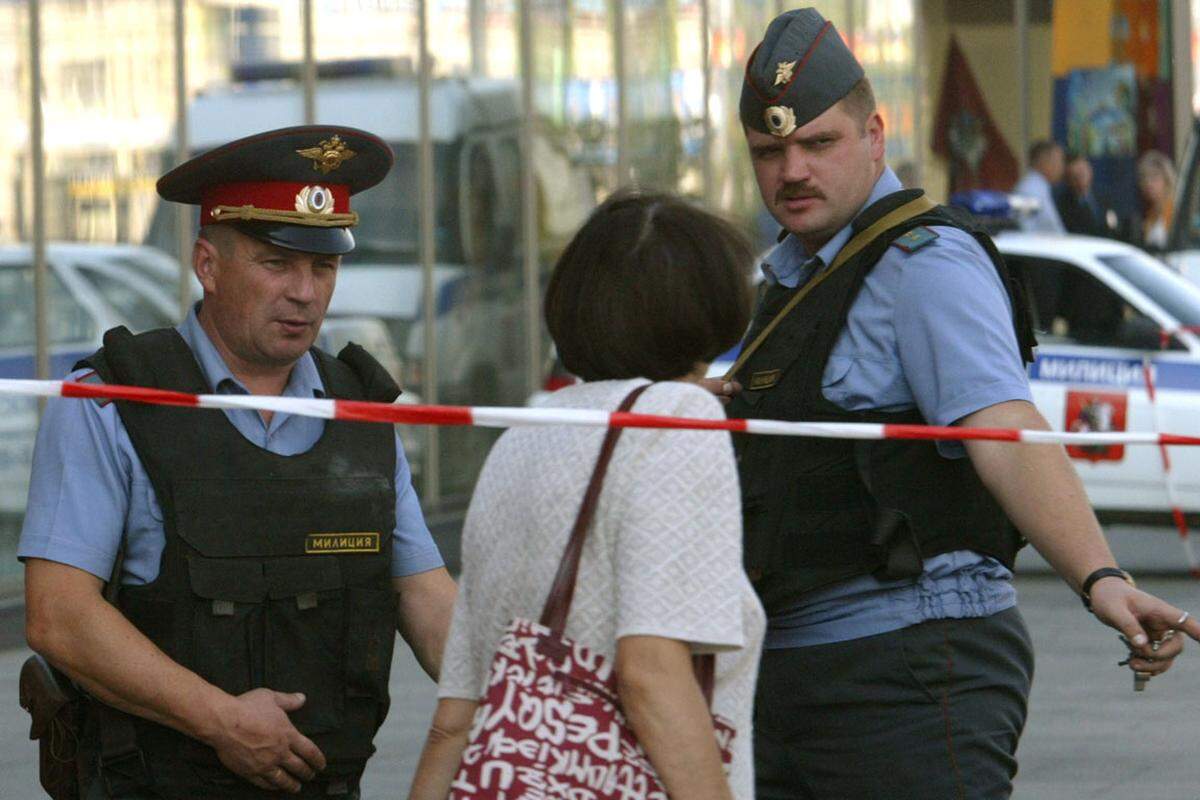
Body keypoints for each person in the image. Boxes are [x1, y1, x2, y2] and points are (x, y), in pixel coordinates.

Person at [708, 9, 1200, 798]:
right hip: (797, 678)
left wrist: (1100, 576)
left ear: (875, 133)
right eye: (770, 151)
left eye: (817, 143)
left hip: (906, 670)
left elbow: (1004, 432)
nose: (791, 170)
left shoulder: (924, 261)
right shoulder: (797, 277)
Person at [20, 126, 458, 799]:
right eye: (275, 263)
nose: (305, 293)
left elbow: (426, 599)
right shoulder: (113, 402)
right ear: (208, 264)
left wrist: (530, 698)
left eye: (323, 267)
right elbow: (59, 615)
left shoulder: (357, 412)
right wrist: (221, 720)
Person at [407, 192, 766, 800]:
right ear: (709, 303)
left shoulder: (527, 435)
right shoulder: (678, 419)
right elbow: (651, 670)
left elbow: (455, 718)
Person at [1054, 151, 1119, 238]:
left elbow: (1114, 224)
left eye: (1082, 172)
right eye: (1075, 176)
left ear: (1090, 170)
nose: (1080, 179)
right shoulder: (1063, 204)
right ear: (1067, 179)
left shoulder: (1104, 196)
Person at [1014, 139, 1067, 233]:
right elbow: (1025, 229)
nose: (1062, 167)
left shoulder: (1040, 187)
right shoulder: (1027, 190)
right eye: (1059, 160)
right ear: (1044, 161)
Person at [1136, 149, 1176, 251]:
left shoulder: (1174, 211)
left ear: (1167, 180)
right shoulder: (1151, 215)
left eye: (1154, 177)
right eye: (1145, 178)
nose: (1149, 184)